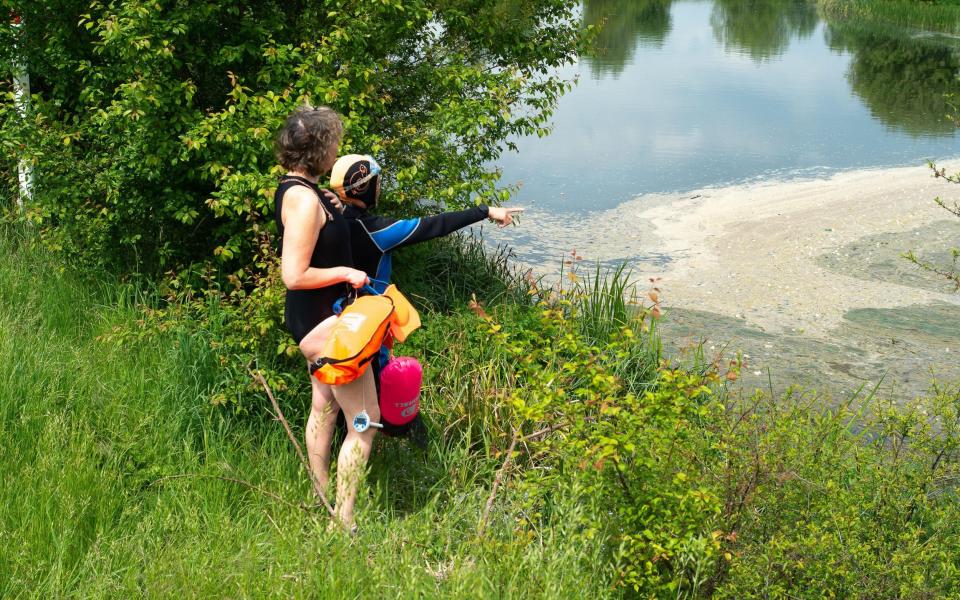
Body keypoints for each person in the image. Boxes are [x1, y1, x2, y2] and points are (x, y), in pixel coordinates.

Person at [328, 154, 522, 441]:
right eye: (377, 181)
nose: (380, 187)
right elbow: (433, 225)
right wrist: (485, 210)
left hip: (334, 324)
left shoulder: (329, 222)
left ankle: (334, 459)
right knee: (382, 408)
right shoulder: (377, 231)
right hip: (368, 327)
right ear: (363, 188)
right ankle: (415, 454)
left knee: (337, 400)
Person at [273, 107, 373, 531]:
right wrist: (347, 273)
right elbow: (293, 274)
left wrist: (334, 207)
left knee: (324, 406)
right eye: (332, 141)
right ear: (319, 148)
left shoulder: (301, 189)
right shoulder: (300, 198)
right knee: (366, 422)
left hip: (318, 322)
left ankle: (319, 498)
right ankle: (343, 523)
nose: (336, 149)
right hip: (325, 325)